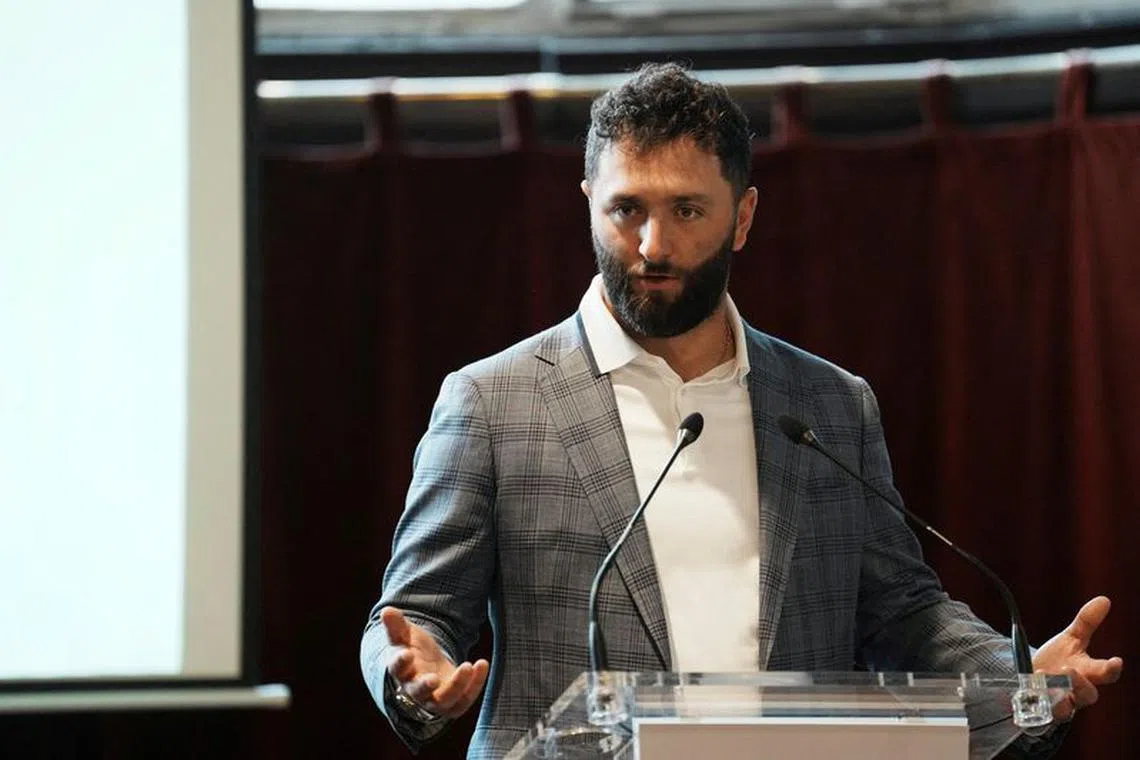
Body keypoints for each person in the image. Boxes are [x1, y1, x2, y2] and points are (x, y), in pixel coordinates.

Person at [360, 62, 1122, 759]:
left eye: (687, 210)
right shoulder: (493, 401)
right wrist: (411, 666)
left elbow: (901, 611)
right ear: (589, 204)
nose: (652, 245)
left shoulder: (828, 405)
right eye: (627, 209)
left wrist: (1019, 675)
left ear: (744, 217)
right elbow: (415, 614)